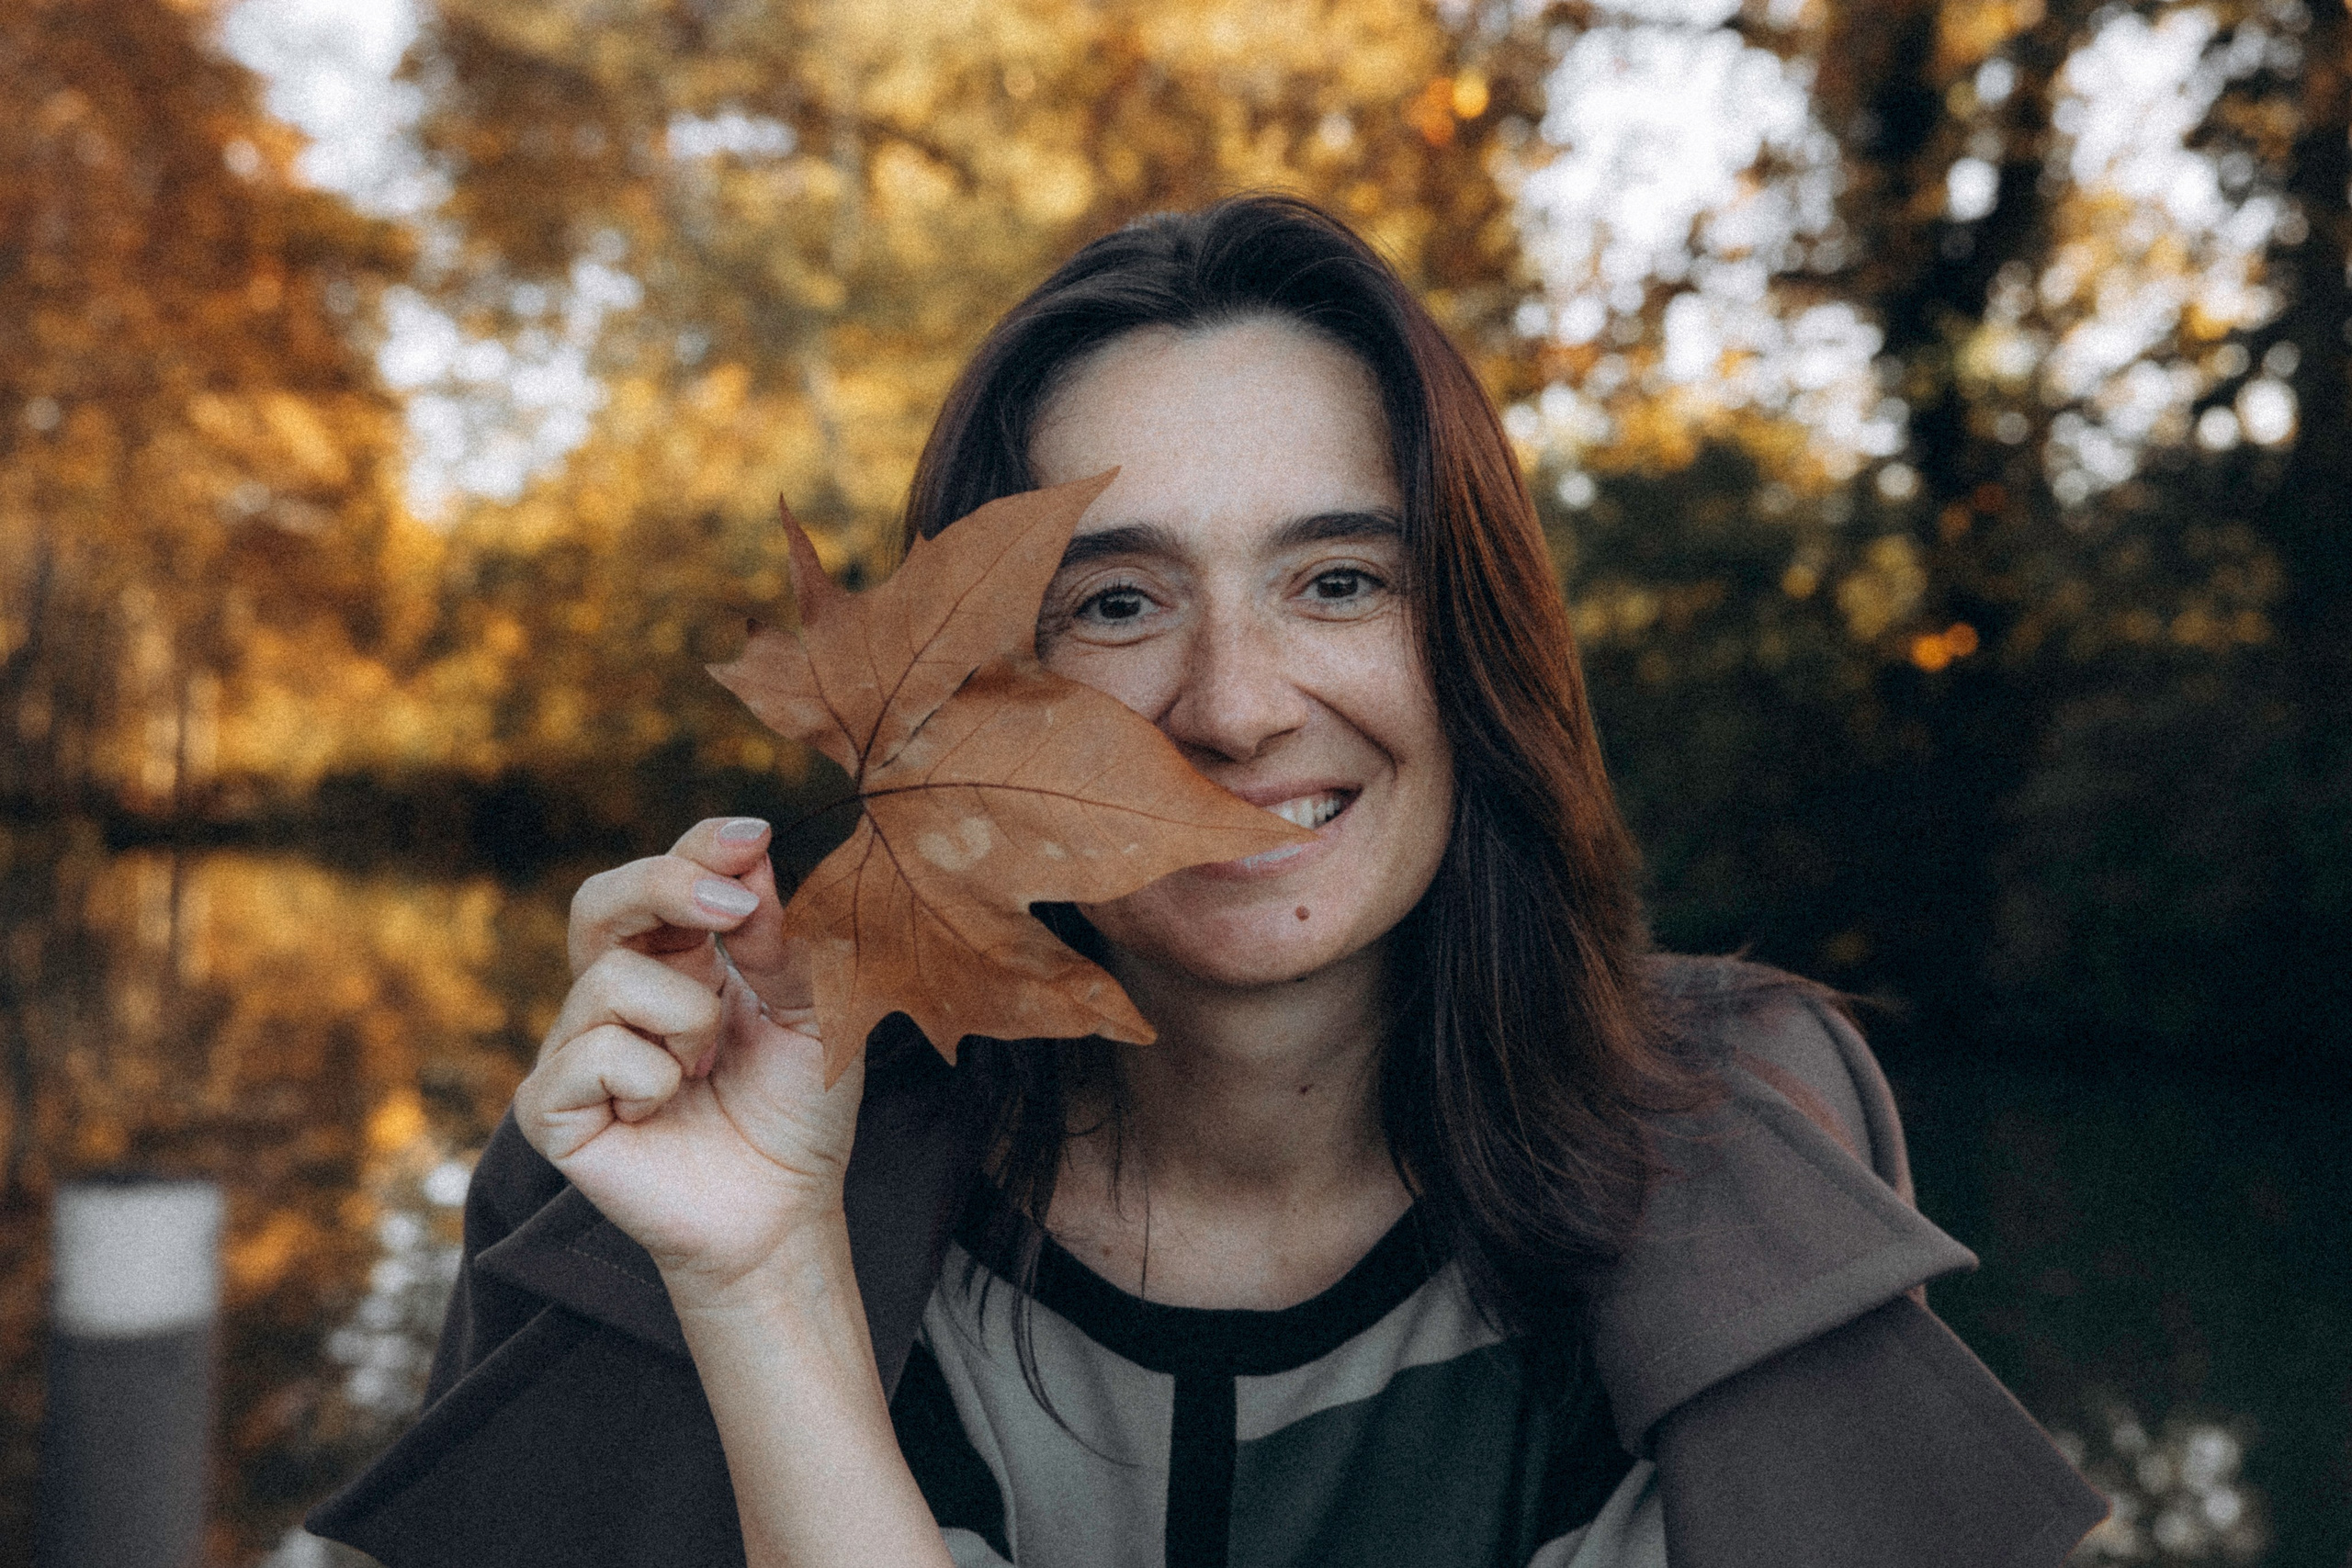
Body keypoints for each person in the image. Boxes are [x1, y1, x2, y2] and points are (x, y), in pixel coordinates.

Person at [309, 196, 2106, 1568]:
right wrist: (758, 1283)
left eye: (1337, 580)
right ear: (972, 698)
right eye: (1115, 601)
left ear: (1473, 638)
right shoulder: (665, 1153)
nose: (1236, 705)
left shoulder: (1736, 1138)